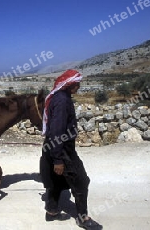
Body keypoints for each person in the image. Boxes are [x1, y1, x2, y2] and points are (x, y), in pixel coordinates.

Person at [40, 69, 102, 230]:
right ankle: (83, 218)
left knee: (57, 180)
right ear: (69, 85)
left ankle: (52, 211)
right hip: (62, 150)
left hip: (55, 147)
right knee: (81, 181)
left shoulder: (61, 97)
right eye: (76, 84)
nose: (79, 87)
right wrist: (58, 159)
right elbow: (57, 130)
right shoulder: (62, 101)